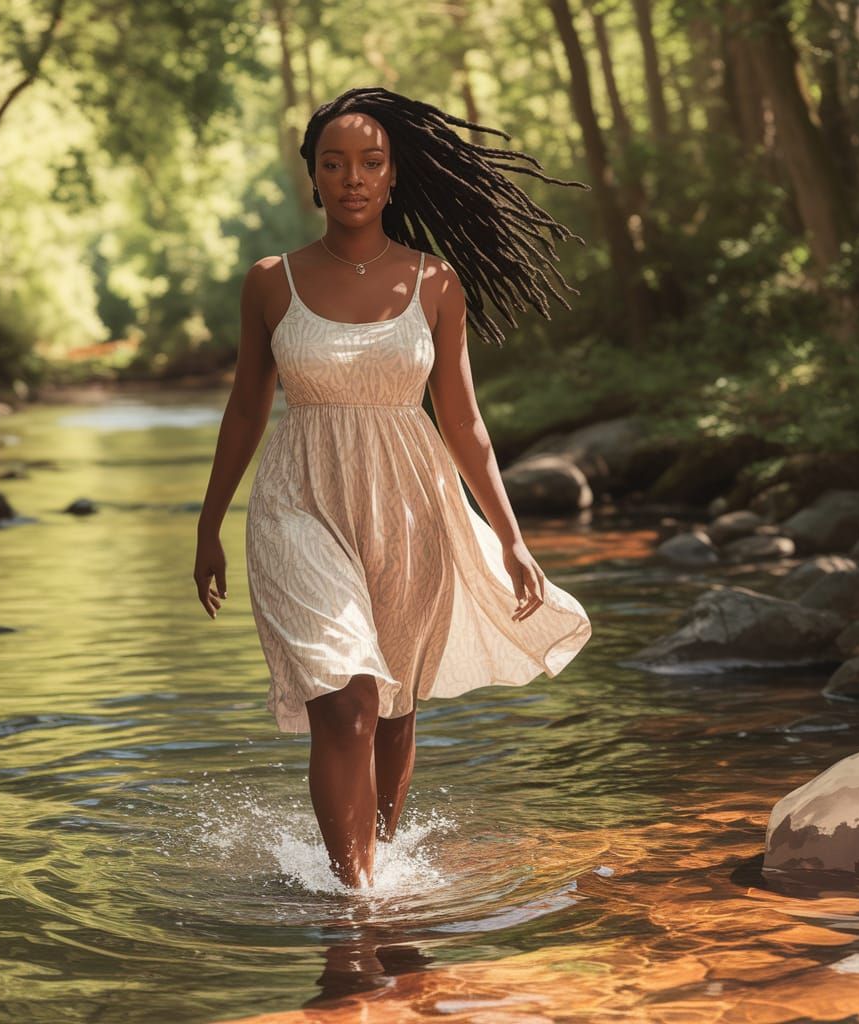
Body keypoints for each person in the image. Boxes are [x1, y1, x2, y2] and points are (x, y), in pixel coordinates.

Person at [194, 87, 592, 889]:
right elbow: (245, 410)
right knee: (345, 697)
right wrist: (208, 527)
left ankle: (377, 854)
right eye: (333, 163)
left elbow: (464, 422)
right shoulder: (271, 281)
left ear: (394, 175)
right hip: (298, 503)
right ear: (313, 176)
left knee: (394, 706)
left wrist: (511, 538)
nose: (352, 178)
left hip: (412, 507)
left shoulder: (435, 281)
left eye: (370, 163)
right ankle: (357, 899)